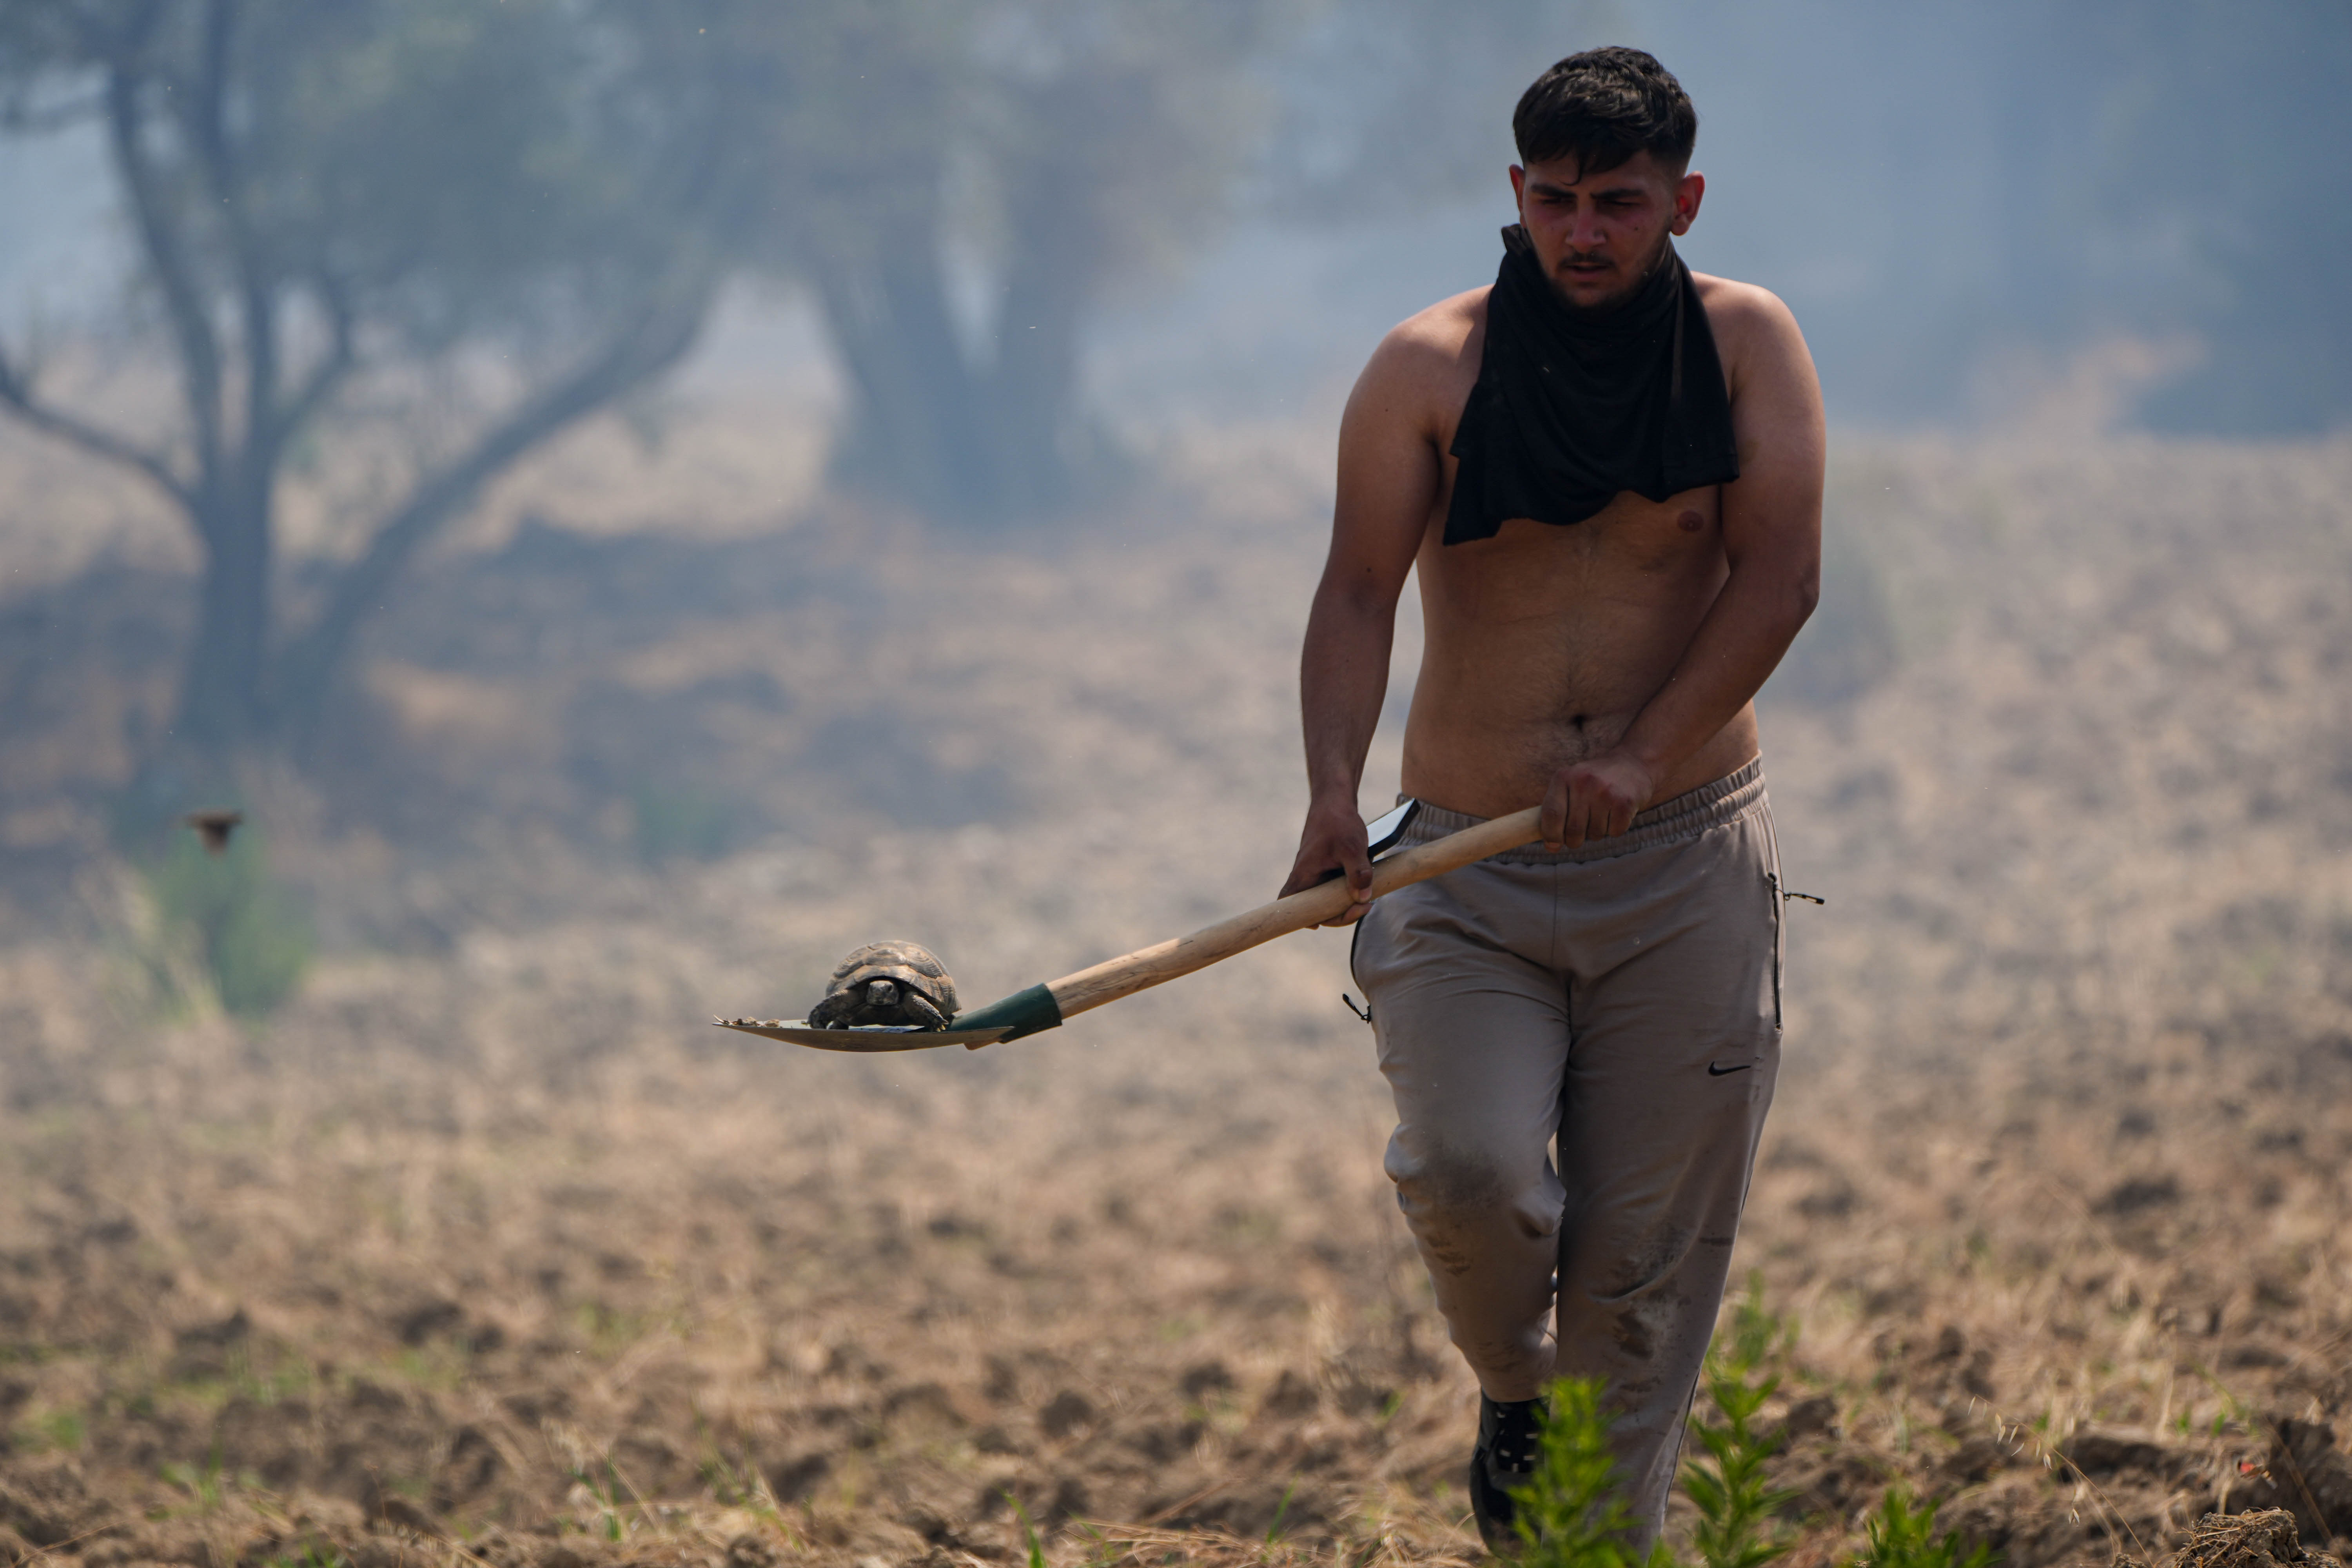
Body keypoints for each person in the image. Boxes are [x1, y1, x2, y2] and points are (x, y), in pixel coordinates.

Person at [1278, 47, 1824, 1556]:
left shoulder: (1745, 347)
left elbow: (1782, 575)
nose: (1587, 232)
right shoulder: (1425, 367)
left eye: (1621, 205)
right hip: (1466, 867)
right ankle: (1509, 1384)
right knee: (1469, 1174)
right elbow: (1354, 590)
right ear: (1517, 195)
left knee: (1642, 1288)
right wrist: (1335, 796)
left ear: (1684, 200)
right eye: (1560, 201)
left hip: (1683, 864)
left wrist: (1646, 756)